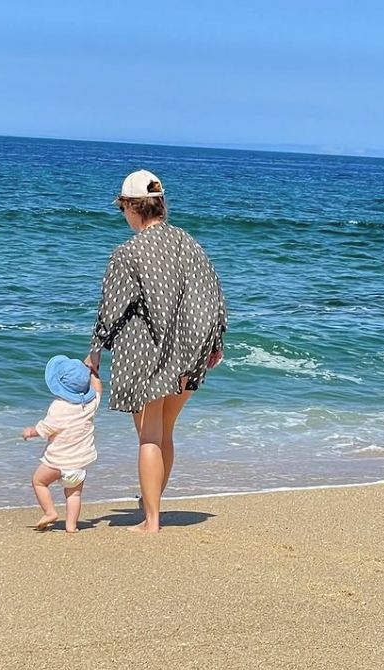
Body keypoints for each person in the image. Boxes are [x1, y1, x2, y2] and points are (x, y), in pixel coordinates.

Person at [84, 169, 227, 534]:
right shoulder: (189, 243)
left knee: (149, 436)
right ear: (159, 205)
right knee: (164, 433)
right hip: (187, 354)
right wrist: (215, 341)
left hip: (146, 356)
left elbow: (112, 308)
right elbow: (213, 294)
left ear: (132, 208)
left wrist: (95, 350)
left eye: (123, 210)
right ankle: (153, 506)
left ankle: (151, 521)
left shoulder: (128, 253)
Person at [22, 355, 102, 533]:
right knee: (74, 494)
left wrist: (31, 432)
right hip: (79, 465)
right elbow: (98, 390)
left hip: (57, 462)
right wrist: (94, 373)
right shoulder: (90, 405)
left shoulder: (58, 407)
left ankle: (50, 512)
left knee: (38, 482)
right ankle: (71, 526)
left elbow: (46, 428)